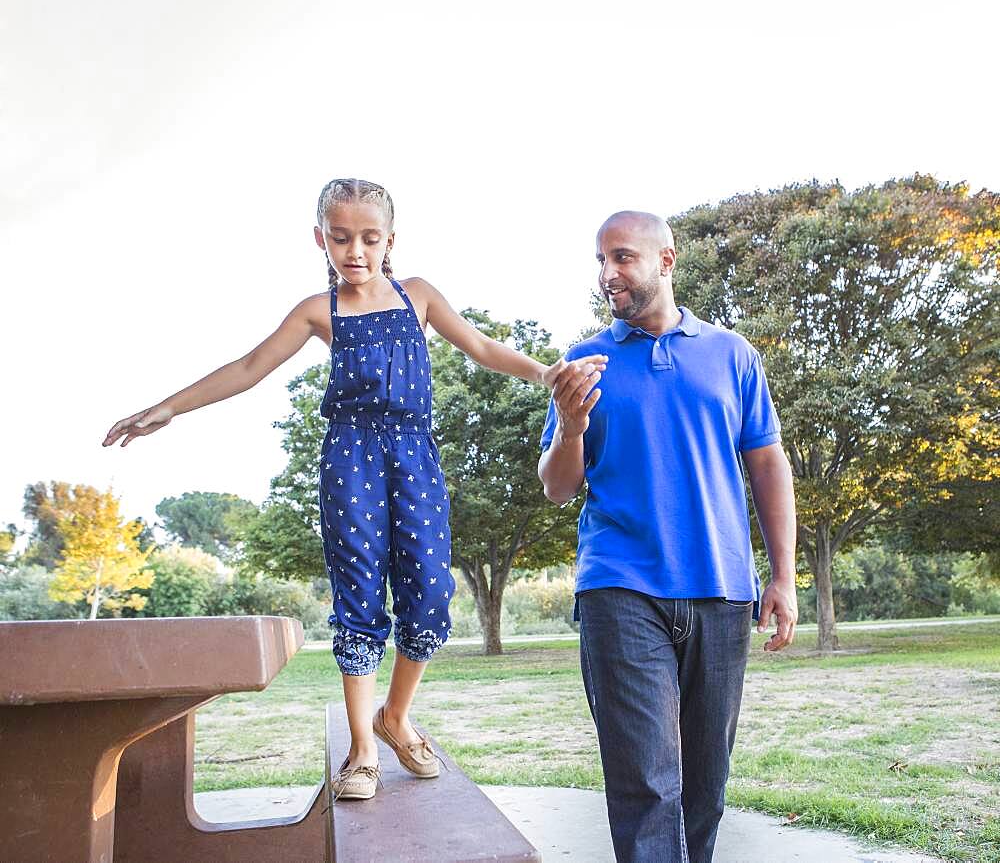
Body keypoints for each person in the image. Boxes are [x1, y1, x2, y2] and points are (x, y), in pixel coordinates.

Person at [103, 177, 606, 800]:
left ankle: (394, 718)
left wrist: (545, 372)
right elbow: (248, 367)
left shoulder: (417, 295)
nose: (356, 251)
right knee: (359, 588)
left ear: (391, 240)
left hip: (414, 456)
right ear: (322, 239)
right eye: (342, 239)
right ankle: (362, 747)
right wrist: (168, 408)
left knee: (428, 588)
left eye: (370, 238)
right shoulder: (320, 311)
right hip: (351, 459)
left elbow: (478, 345)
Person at [538, 211, 798, 862]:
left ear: (666, 260)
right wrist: (570, 426)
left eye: (622, 258)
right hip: (620, 588)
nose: (608, 275)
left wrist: (784, 577)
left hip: (721, 588)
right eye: (600, 261)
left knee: (705, 788)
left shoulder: (731, 355)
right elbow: (557, 486)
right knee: (647, 788)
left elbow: (767, 464)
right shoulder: (581, 363)